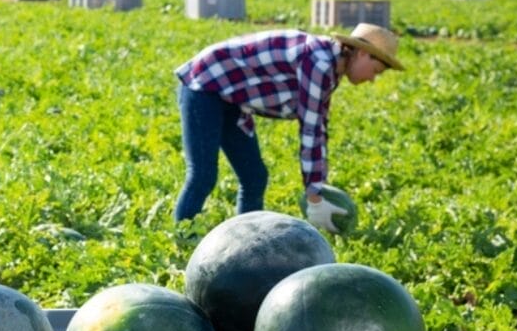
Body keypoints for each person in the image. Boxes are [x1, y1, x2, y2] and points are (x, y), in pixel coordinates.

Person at [173, 23, 404, 231]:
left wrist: (318, 187)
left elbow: (319, 127)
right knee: (203, 175)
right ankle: (182, 239)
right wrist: (314, 197)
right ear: (363, 53)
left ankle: (246, 244)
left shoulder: (331, 68)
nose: (373, 79)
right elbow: (310, 131)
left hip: (231, 100)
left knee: (255, 177)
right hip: (205, 86)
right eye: (376, 71)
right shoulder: (320, 62)